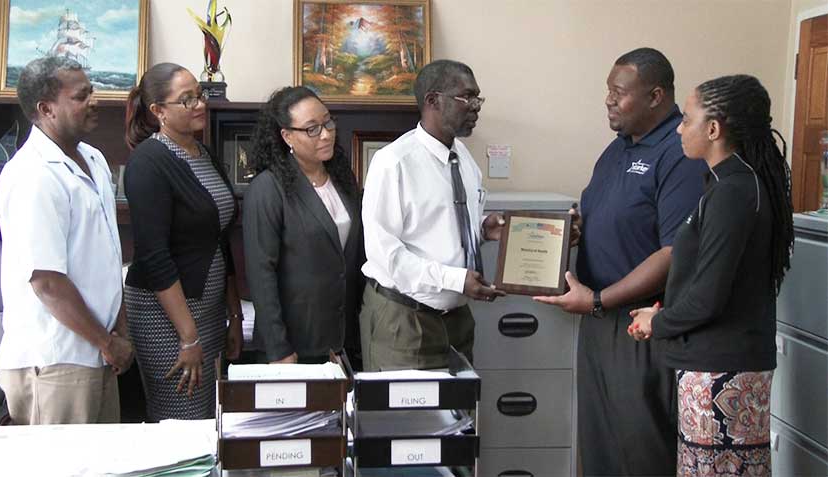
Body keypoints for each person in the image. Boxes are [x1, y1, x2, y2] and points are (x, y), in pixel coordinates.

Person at [534, 48, 706, 476]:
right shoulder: (617, 150)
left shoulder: (678, 153)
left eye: (619, 92)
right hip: (597, 321)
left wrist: (599, 299)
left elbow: (673, 251)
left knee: (638, 446)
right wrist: (577, 230)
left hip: (640, 324)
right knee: (598, 443)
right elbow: (606, 215)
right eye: (608, 91)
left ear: (655, 96)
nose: (609, 100)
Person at [628, 75, 793, 477]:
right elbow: (711, 279)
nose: (680, 129)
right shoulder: (725, 184)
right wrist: (665, 309)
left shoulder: (735, 191)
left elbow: (709, 297)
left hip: (722, 371)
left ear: (714, 129)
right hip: (714, 365)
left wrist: (658, 321)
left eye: (687, 119)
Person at [0, 56, 134, 425]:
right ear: (46, 109)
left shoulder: (94, 158)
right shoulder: (32, 175)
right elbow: (48, 282)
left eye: (92, 92)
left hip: (99, 353)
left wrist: (118, 332)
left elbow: (106, 255)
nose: (94, 101)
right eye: (81, 96)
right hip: (56, 361)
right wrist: (108, 342)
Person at [360, 59, 506, 372]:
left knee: (459, 416)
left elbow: (440, 227)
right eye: (467, 98)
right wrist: (456, 279)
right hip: (405, 320)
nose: (476, 107)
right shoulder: (393, 163)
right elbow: (386, 255)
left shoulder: (463, 158)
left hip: (457, 321)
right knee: (407, 418)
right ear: (432, 100)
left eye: (478, 98)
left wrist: (483, 227)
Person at [123, 62, 242, 420]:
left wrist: (233, 315)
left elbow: (221, 239)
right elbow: (155, 257)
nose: (200, 105)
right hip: (166, 318)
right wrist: (188, 337)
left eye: (200, 95)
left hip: (208, 312)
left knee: (211, 418)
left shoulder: (204, 155)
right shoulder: (148, 163)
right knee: (181, 421)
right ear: (158, 111)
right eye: (187, 100)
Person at [243, 86, 364, 365]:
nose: (325, 134)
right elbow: (262, 274)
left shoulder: (342, 178)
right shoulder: (268, 188)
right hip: (294, 344)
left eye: (327, 123)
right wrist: (278, 348)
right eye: (311, 129)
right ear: (287, 136)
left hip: (341, 339)